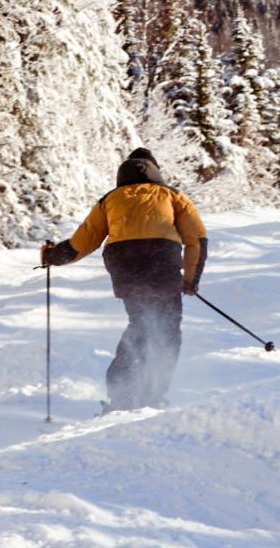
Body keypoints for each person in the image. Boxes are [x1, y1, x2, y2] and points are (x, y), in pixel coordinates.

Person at [41, 148, 207, 412]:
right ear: (155, 170)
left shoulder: (111, 199)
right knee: (167, 329)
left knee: (140, 323)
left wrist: (53, 256)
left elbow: (83, 241)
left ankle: (121, 392)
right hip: (162, 263)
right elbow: (196, 240)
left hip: (125, 264)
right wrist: (190, 280)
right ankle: (152, 395)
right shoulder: (173, 196)